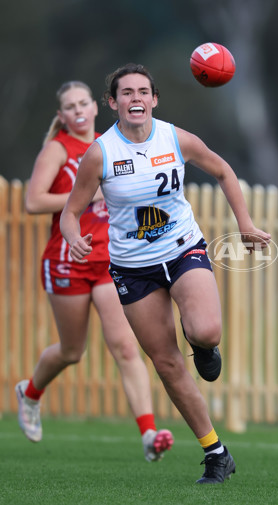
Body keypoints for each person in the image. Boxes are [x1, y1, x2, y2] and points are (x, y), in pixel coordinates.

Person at [60, 63, 271, 484]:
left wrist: (245, 225)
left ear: (154, 99)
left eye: (143, 92)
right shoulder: (101, 153)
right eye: (126, 93)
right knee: (167, 363)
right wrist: (74, 237)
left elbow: (224, 170)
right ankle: (216, 452)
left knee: (207, 331)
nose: (135, 99)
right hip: (132, 268)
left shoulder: (175, 138)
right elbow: (71, 212)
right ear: (113, 102)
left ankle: (204, 346)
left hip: (181, 249)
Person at [16, 81, 173, 462]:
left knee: (124, 345)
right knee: (72, 351)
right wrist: (89, 194)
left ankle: (148, 434)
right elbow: (33, 201)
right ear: (61, 116)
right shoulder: (60, 149)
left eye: (83, 102)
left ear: (95, 105)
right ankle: (30, 393)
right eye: (69, 106)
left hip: (109, 260)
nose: (78, 110)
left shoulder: (111, 145)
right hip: (67, 259)